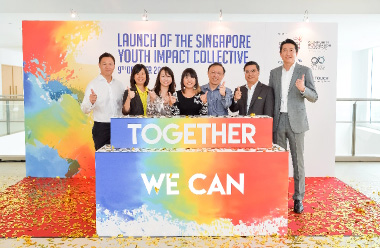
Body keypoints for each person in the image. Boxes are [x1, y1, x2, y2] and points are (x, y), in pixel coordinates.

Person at [269, 38, 318, 214]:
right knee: (278, 163)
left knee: (298, 162)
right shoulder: (274, 73)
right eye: (285, 50)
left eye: (291, 50)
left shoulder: (304, 71)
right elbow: (271, 98)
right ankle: (279, 196)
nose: (288, 53)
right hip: (278, 120)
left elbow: (314, 96)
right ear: (280, 53)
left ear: (296, 53)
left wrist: (303, 89)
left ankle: (298, 199)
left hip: (296, 122)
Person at [81, 52, 124, 150]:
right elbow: (84, 109)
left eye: (110, 64)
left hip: (119, 126)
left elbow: (124, 107)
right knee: (103, 160)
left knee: (120, 158)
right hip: (101, 127)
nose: (107, 66)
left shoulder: (119, 85)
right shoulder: (93, 84)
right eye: (104, 64)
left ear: (114, 66)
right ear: (99, 65)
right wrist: (91, 102)